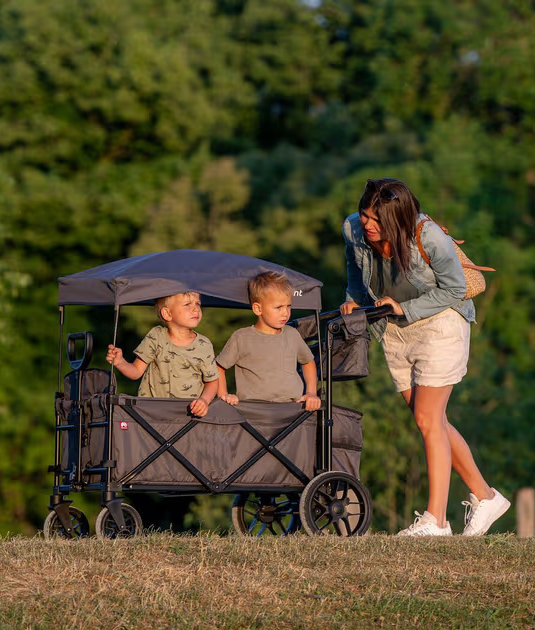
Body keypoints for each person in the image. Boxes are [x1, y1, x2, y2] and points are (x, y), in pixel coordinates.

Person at [340, 178, 509, 537]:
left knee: (427, 418)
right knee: (431, 422)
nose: (367, 224)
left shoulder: (428, 235)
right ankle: (486, 496)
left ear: (398, 219)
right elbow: (356, 271)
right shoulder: (353, 229)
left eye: (377, 219)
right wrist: (353, 301)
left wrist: (406, 308)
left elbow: (456, 288)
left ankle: (437, 520)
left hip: (440, 321)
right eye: (364, 215)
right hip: (394, 328)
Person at [215, 272, 321, 411]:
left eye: (288, 306)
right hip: (254, 412)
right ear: (258, 309)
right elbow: (218, 367)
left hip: (292, 410)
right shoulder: (241, 337)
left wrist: (311, 393)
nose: (285, 313)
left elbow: (308, 362)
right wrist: (223, 396)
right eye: (278, 307)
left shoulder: (292, 334)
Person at [106, 291, 219, 417]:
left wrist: (204, 401)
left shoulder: (204, 344)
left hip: (188, 416)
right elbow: (136, 372)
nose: (195, 309)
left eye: (198, 304)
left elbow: (212, 381)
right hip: (152, 414)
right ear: (167, 313)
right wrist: (120, 362)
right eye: (187, 304)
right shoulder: (156, 336)